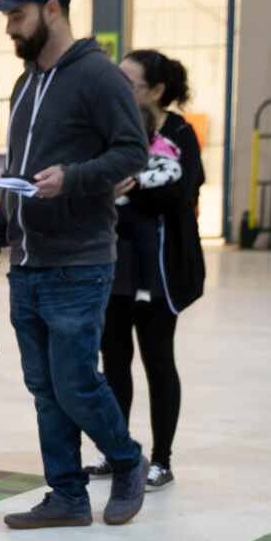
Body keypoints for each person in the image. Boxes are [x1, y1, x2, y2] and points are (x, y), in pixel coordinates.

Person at [0, 0, 149, 530]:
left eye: (16, 17)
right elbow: (17, 171)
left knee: (75, 382)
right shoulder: (24, 84)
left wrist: (70, 178)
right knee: (45, 388)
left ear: (52, 9)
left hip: (79, 260)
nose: (9, 30)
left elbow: (131, 153)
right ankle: (67, 495)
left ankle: (126, 461)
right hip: (27, 261)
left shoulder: (98, 77)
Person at [90, 50, 205, 491]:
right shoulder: (113, 129)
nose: (121, 89)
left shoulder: (180, 133)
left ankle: (161, 459)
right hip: (113, 264)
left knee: (158, 361)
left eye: (130, 82)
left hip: (159, 271)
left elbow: (181, 194)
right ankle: (117, 450)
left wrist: (132, 186)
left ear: (156, 91)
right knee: (113, 362)